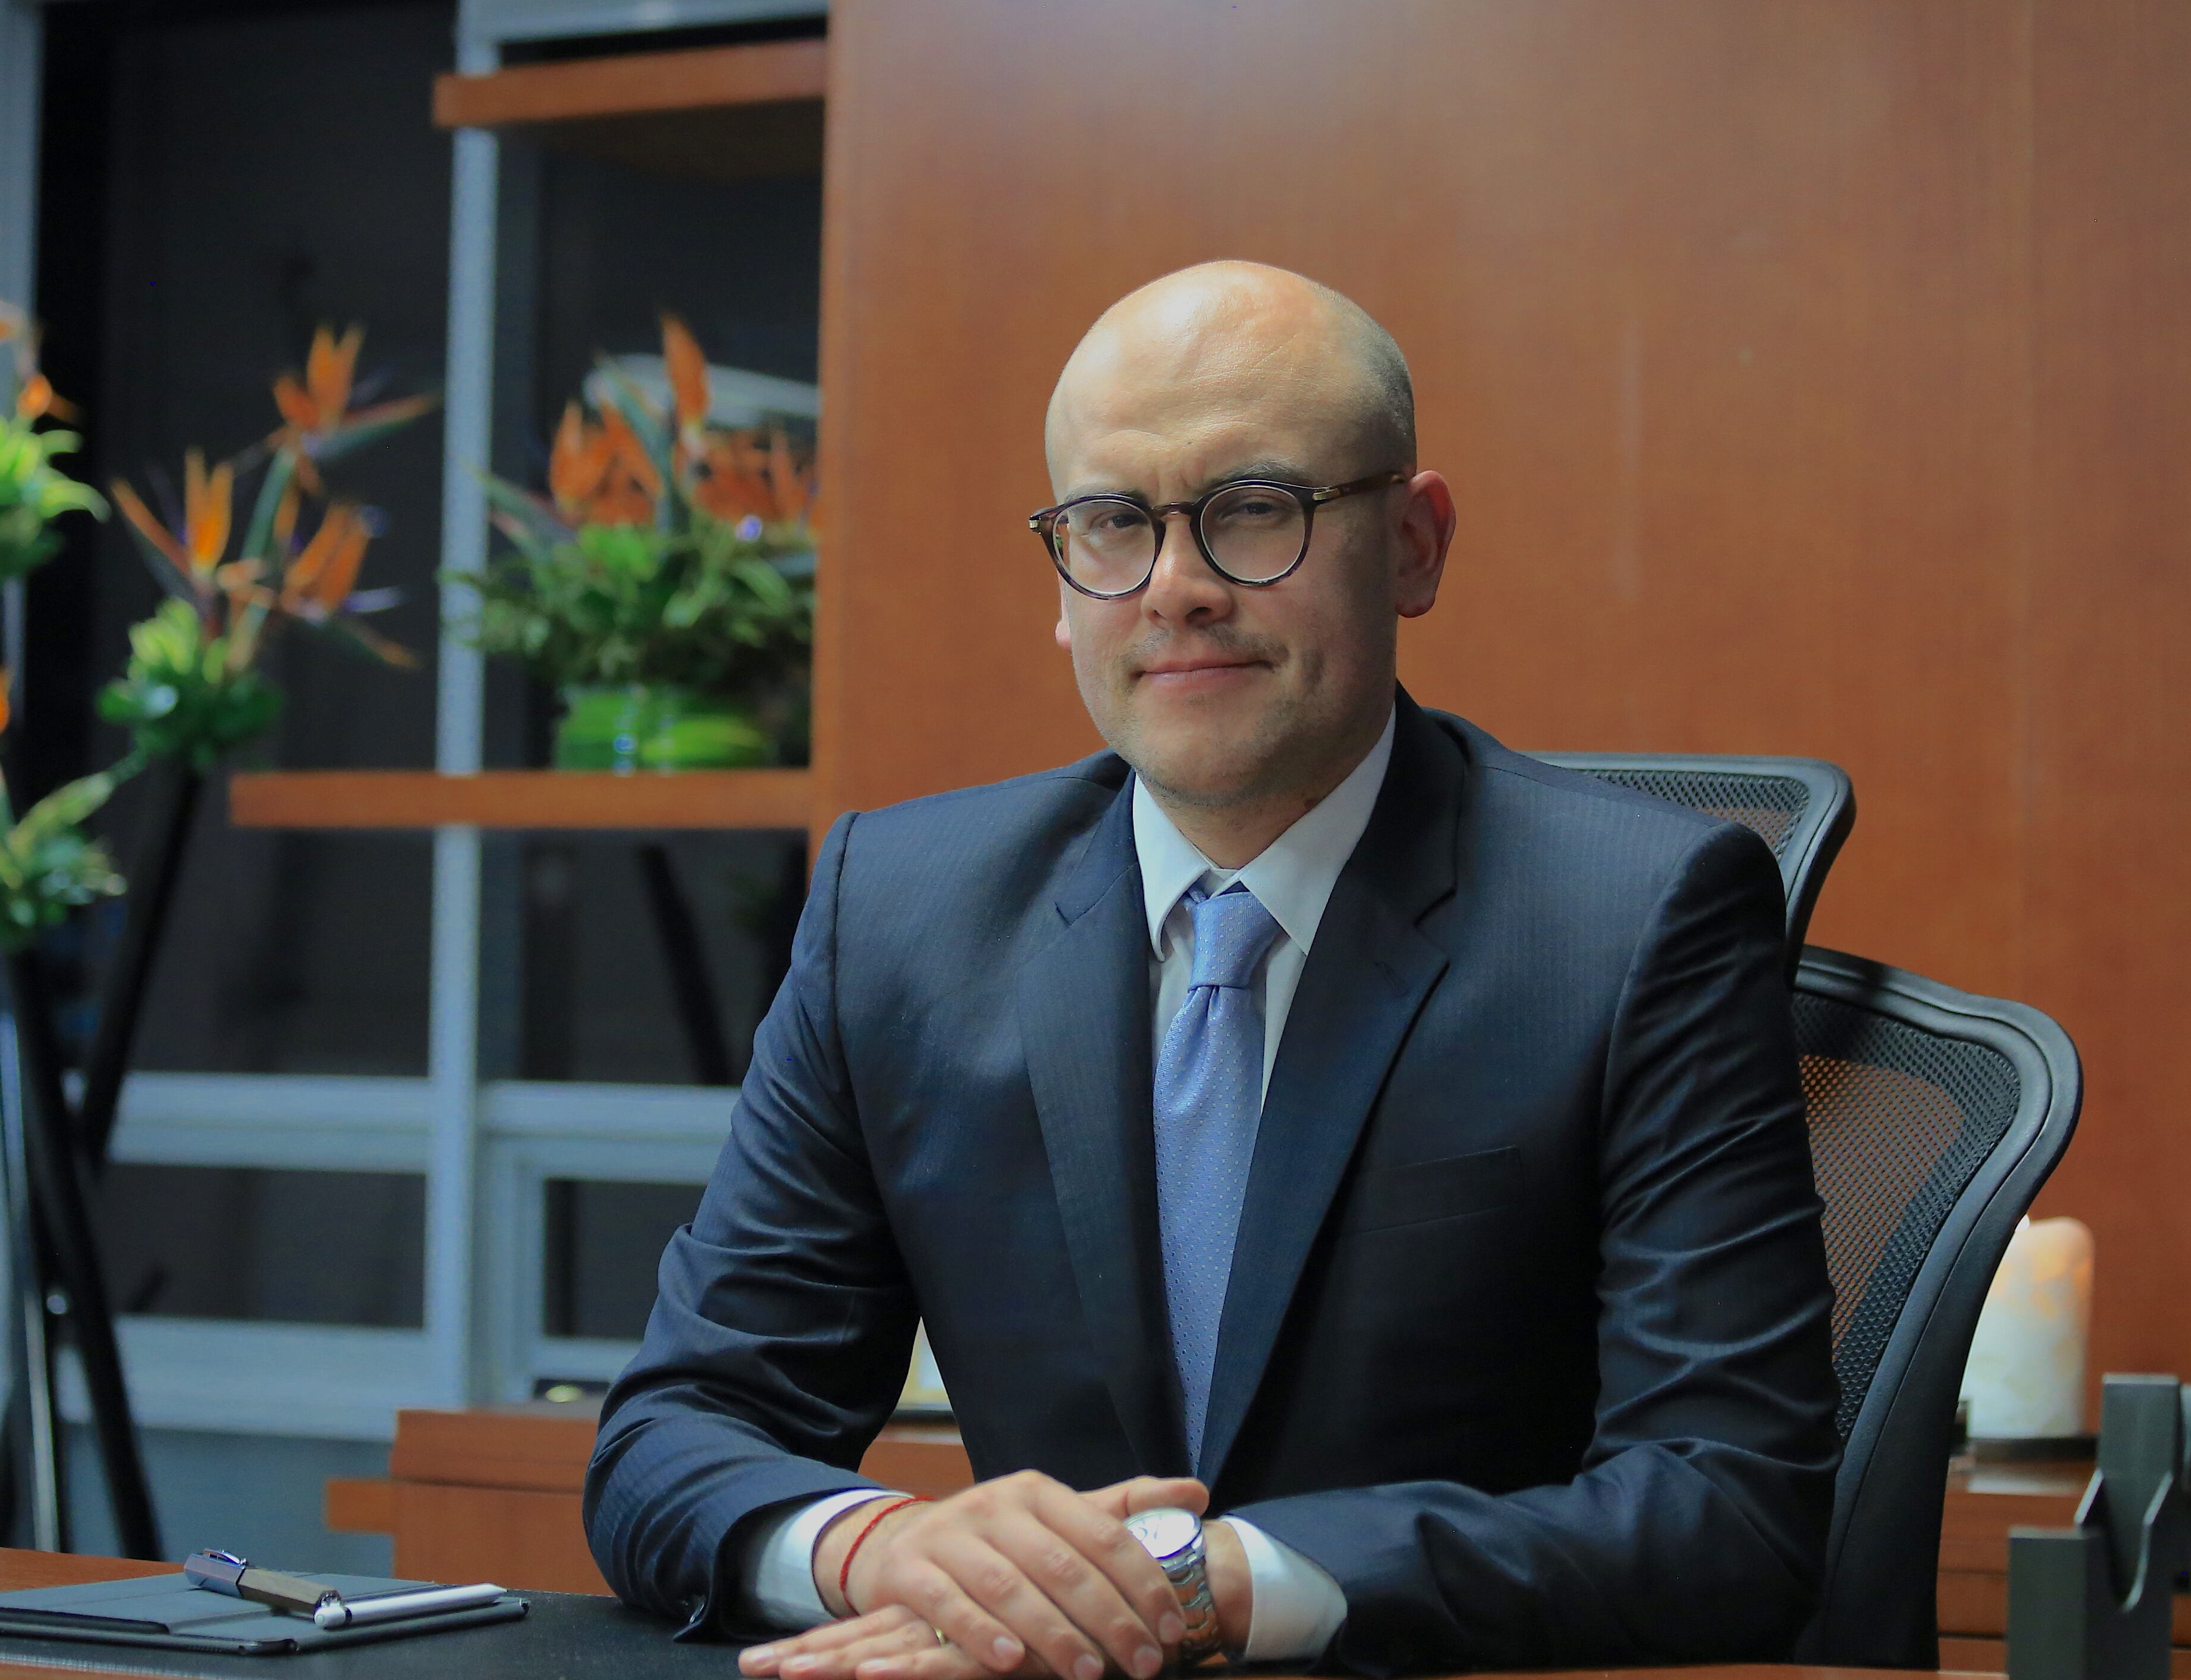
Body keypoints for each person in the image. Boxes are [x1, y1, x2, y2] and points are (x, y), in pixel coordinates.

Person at [583, 262, 1837, 1676]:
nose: (1173, 589)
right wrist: (882, 1546)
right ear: (1063, 584)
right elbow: (670, 1439)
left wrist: (1201, 1579)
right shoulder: (903, 913)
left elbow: (1726, 1510)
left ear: (1415, 544)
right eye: (1112, 525)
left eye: (1254, 511)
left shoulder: (1633, 920)